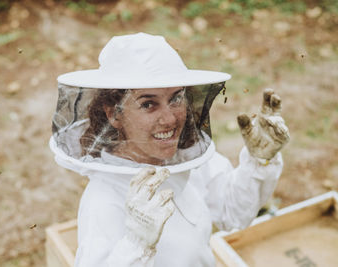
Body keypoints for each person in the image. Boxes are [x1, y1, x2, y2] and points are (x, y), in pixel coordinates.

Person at [50, 32, 290, 267]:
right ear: (114, 114)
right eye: (148, 104)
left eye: (175, 99)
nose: (169, 119)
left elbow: (232, 213)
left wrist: (259, 162)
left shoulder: (186, 157)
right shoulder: (103, 202)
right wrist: (137, 246)